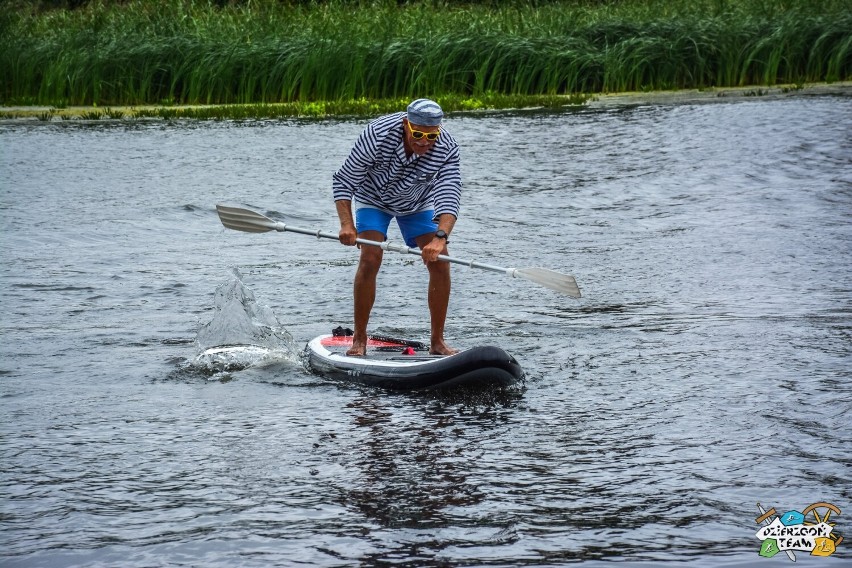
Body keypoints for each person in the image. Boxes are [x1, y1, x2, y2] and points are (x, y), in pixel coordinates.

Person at [333, 98, 461, 356]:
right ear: (406, 124)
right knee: (370, 258)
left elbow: (450, 194)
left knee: (441, 261)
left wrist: (440, 238)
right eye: (417, 134)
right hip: (373, 199)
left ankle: (437, 342)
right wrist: (347, 225)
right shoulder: (377, 133)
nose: (424, 142)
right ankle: (359, 339)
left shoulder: (447, 147)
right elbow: (345, 180)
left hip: (416, 202)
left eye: (431, 136)